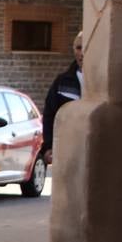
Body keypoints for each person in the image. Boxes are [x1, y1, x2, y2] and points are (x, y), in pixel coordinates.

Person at [41, 30, 84, 167]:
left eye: (85, 47)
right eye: (78, 48)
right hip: (68, 149)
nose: (82, 53)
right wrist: (48, 146)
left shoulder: (103, 81)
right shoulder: (62, 82)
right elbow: (49, 114)